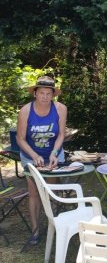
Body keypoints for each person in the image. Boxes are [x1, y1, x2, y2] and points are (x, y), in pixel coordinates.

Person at [16, 76, 67, 245]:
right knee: (34, 191)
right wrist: (34, 156)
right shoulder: (25, 111)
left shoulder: (60, 109)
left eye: (48, 93)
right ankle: (35, 230)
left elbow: (61, 135)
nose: (45, 97)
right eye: (41, 93)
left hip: (53, 152)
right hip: (31, 153)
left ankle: (55, 226)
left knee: (50, 189)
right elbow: (20, 139)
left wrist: (54, 153)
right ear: (35, 94)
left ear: (53, 95)